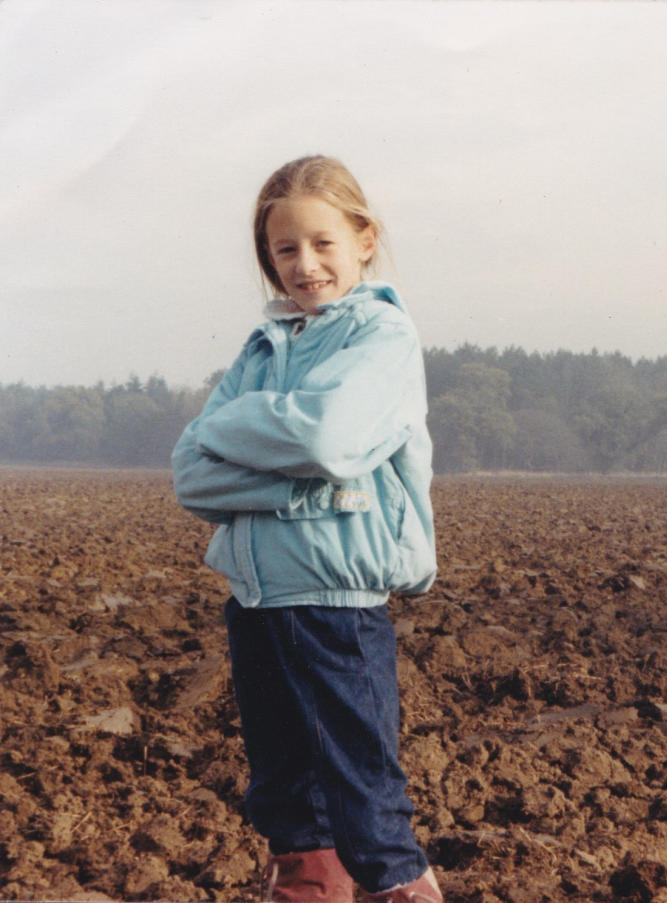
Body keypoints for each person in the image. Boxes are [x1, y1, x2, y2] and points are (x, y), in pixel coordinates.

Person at [172, 156, 441, 903]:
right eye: (285, 250)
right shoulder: (264, 345)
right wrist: (294, 465)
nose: (305, 264)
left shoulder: (382, 337)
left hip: (337, 603)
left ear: (364, 238)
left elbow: (332, 439)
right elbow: (191, 472)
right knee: (288, 798)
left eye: (322, 242)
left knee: (367, 797)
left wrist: (232, 427)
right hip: (256, 601)